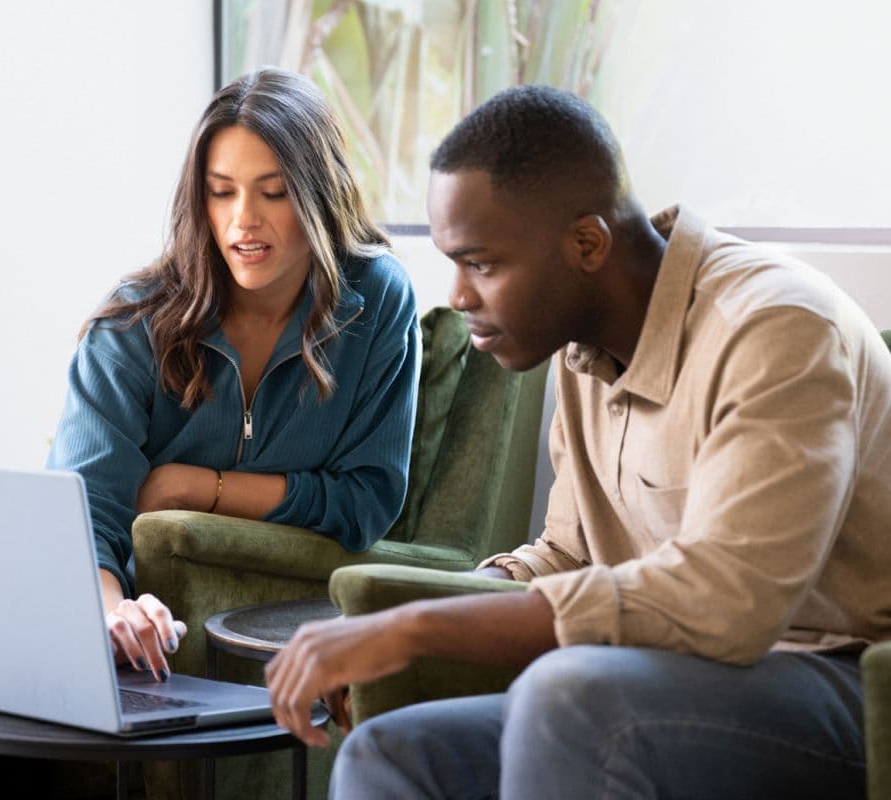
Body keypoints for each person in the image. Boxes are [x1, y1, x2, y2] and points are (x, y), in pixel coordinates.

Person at [0, 67, 420, 800]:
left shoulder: (375, 301)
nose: (242, 222)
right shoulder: (137, 320)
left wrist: (202, 487)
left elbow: (368, 499)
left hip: (234, 618)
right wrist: (111, 611)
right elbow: (90, 509)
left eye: (274, 191)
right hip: (92, 600)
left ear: (317, 191)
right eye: (221, 191)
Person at [266, 84, 891, 799]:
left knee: (568, 697)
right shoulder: (581, 353)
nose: (458, 297)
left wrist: (415, 629)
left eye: (482, 263)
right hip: (674, 684)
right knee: (394, 751)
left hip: (849, 685)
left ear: (587, 242)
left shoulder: (775, 327)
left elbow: (727, 601)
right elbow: (566, 554)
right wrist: (434, 614)